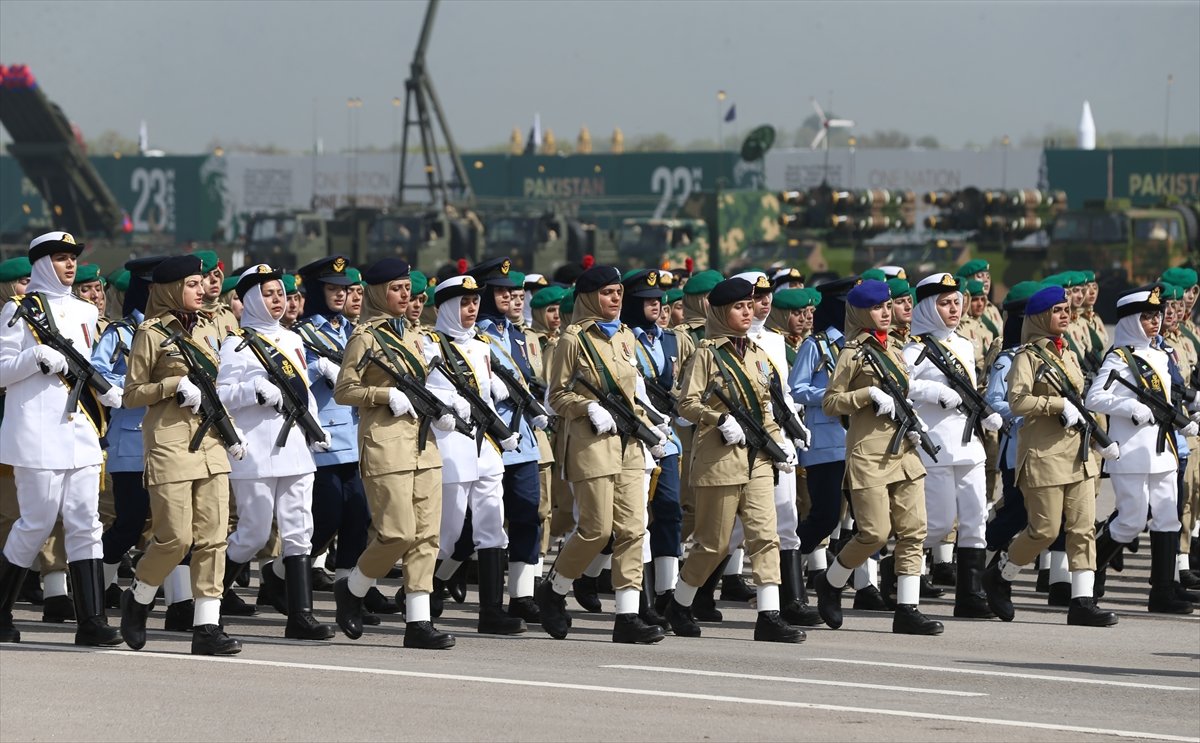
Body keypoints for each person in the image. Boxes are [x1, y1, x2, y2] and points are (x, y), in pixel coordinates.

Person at [662, 276, 803, 643]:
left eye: (749, 305)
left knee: (765, 536)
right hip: (719, 460)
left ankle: (768, 615)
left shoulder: (758, 354)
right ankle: (680, 603)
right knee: (714, 544)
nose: (747, 312)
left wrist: (779, 443)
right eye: (739, 307)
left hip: (757, 460)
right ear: (723, 312)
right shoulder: (706, 353)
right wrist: (718, 419)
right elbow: (686, 404)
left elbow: (767, 409)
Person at [119, 254, 247, 655]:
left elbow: (218, 385)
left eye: (201, 284)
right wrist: (171, 385)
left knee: (213, 538)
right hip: (171, 443)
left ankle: (206, 626)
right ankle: (138, 597)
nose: (201, 290)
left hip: (210, 442)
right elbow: (131, 394)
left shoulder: (211, 328)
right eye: (192, 285)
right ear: (172, 289)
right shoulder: (152, 333)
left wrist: (231, 429)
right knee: (175, 537)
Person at [0, 231, 123, 646]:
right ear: (40, 264)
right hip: (37, 433)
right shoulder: (19, 310)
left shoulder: (86, 313)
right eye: (60, 258)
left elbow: (87, 367)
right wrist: (33, 359)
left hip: (81, 431)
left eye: (72, 258)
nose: (70, 265)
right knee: (36, 522)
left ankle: (91, 622)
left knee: (86, 524)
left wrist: (107, 390)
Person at [538, 263, 666, 644]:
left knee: (632, 528)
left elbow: (632, 394)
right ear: (591, 296)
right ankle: (556, 587)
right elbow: (556, 396)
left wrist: (652, 427)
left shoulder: (626, 336)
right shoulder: (572, 340)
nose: (615, 300)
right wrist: (586, 407)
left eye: (618, 293)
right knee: (597, 529)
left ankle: (626, 616)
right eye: (608, 293)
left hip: (628, 442)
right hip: (590, 442)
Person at [332, 257, 455, 649]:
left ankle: (418, 622)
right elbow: (344, 390)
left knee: (426, 537)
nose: (405, 296)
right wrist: (384, 395)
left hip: (423, 443)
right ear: (377, 292)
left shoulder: (418, 335)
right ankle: (353, 588)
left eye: (408, 289)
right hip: (386, 445)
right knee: (396, 533)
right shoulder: (364, 338)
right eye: (396, 289)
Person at [983, 284, 1120, 627]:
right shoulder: (1026, 357)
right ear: (1042, 317)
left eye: (1065, 310)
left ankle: (1082, 601)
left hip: (1077, 455)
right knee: (1043, 530)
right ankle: (1001, 574)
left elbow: (1083, 400)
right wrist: (1055, 405)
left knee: (1082, 529)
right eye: (1058, 311)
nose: (1065, 316)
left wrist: (1101, 438)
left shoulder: (1068, 354)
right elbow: (1017, 402)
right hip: (1044, 455)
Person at [816, 279, 944, 635]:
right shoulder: (851, 353)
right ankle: (832, 580)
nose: (886, 313)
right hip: (869, 454)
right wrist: (866, 394)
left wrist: (914, 422)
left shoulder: (895, 349)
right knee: (874, 533)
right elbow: (831, 402)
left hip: (903, 452)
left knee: (913, 531)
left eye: (888, 306)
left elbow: (903, 393)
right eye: (877, 308)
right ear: (859, 312)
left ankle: (907, 608)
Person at [216, 265, 336, 640]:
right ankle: (208, 601)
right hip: (257, 450)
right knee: (252, 533)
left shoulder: (293, 340)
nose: (278, 300)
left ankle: (300, 616)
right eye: (268, 294)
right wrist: (252, 389)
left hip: (296, 447)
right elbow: (220, 397)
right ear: (252, 298)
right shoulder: (235, 345)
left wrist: (317, 428)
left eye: (280, 294)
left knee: (300, 529)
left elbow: (303, 392)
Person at [422, 274, 525, 634]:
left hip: (485, 446)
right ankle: (424, 591)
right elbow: (428, 392)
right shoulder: (429, 344)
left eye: (474, 303)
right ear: (447, 306)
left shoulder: (482, 345)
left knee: (492, 526)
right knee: (448, 530)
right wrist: (452, 402)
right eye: (463, 303)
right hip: (450, 444)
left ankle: (491, 612)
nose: (471, 309)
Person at [1086, 285, 1194, 615]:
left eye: (1156, 316)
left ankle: (1162, 592)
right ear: (1131, 321)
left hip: (1162, 451)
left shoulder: (1161, 356)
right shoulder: (1118, 360)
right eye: (1146, 317)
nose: (1154, 322)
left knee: (1167, 518)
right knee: (1131, 522)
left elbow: (1174, 396)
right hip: (1132, 452)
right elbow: (1094, 398)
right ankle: (1093, 571)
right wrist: (1128, 406)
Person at [903, 273, 1003, 619]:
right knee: (939, 524)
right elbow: (902, 387)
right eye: (944, 303)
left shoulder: (963, 345)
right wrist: (932, 392)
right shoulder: (913, 349)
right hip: (935, 444)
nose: (953, 309)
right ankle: (896, 572)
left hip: (968, 444)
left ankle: (970, 596)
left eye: (956, 302)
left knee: (976, 518)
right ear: (929, 307)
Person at [293, 256, 384, 618]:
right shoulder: (302, 333)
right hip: (324, 438)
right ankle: (285, 573)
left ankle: (351, 592)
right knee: (327, 515)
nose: (341, 295)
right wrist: (317, 368)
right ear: (318, 291)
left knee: (357, 516)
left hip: (356, 433)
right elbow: (289, 377)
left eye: (344, 289)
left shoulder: (352, 332)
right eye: (333, 289)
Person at [468, 258, 548, 626]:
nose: (507, 297)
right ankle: (437, 582)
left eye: (510, 292)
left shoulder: (518, 334)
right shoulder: (473, 335)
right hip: (488, 435)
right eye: (499, 291)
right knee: (477, 521)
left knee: (527, 513)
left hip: (523, 439)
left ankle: (521, 594)